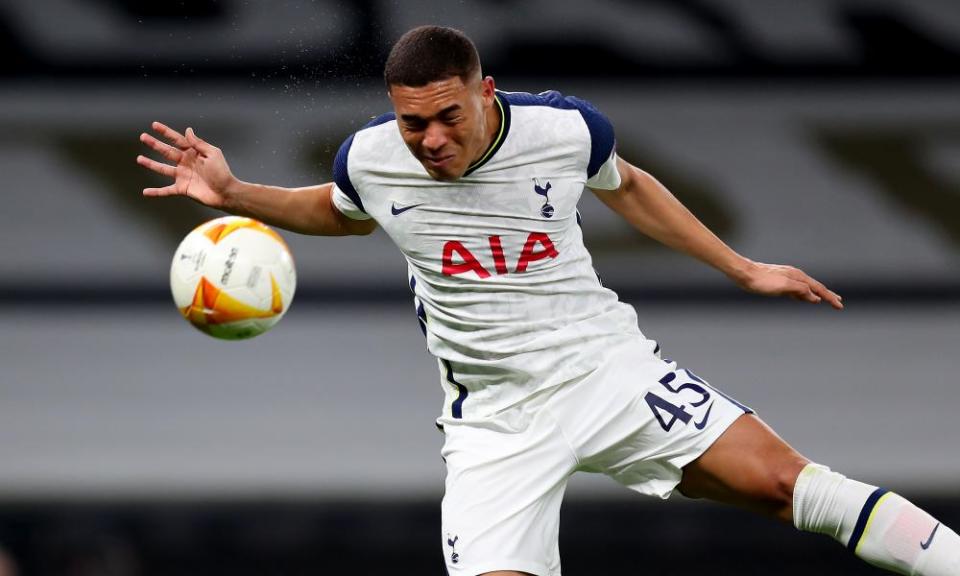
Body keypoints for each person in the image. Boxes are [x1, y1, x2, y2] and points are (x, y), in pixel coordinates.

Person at [137, 25, 958, 576]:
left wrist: (742, 268)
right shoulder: (373, 159)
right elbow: (339, 211)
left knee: (786, 483)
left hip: (605, 368)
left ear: (486, 92)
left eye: (447, 117)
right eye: (412, 123)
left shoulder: (564, 131)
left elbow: (629, 186)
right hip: (494, 420)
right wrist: (237, 191)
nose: (430, 141)